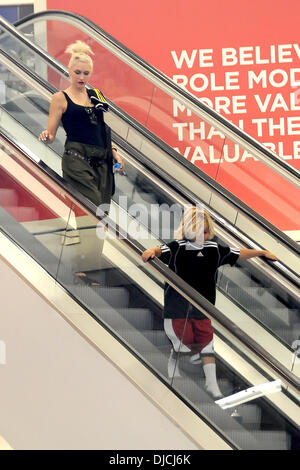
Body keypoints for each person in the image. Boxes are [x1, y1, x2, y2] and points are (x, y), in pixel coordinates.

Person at [142, 206, 278, 399]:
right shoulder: (177, 247)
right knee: (183, 344)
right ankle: (175, 366)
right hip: (177, 308)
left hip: (204, 309)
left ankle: (212, 385)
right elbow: (159, 250)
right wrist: (150, 251)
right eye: (196, 232)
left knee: (207, 346)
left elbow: (237, 253)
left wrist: (261, 252)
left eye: (205, 232)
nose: (201, 237)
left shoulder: (213, 249)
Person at [39, 40, 123, 207]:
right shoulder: (60, 98)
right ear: (69, 71)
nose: (81, 77)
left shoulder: (96, 95)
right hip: (76, 160)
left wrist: (114, 152)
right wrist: (46, 137)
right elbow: (51, 135)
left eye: (86, 73)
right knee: (93, 206)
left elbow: (102, 129)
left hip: (102, 162)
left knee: (100, 213)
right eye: (77, 72)